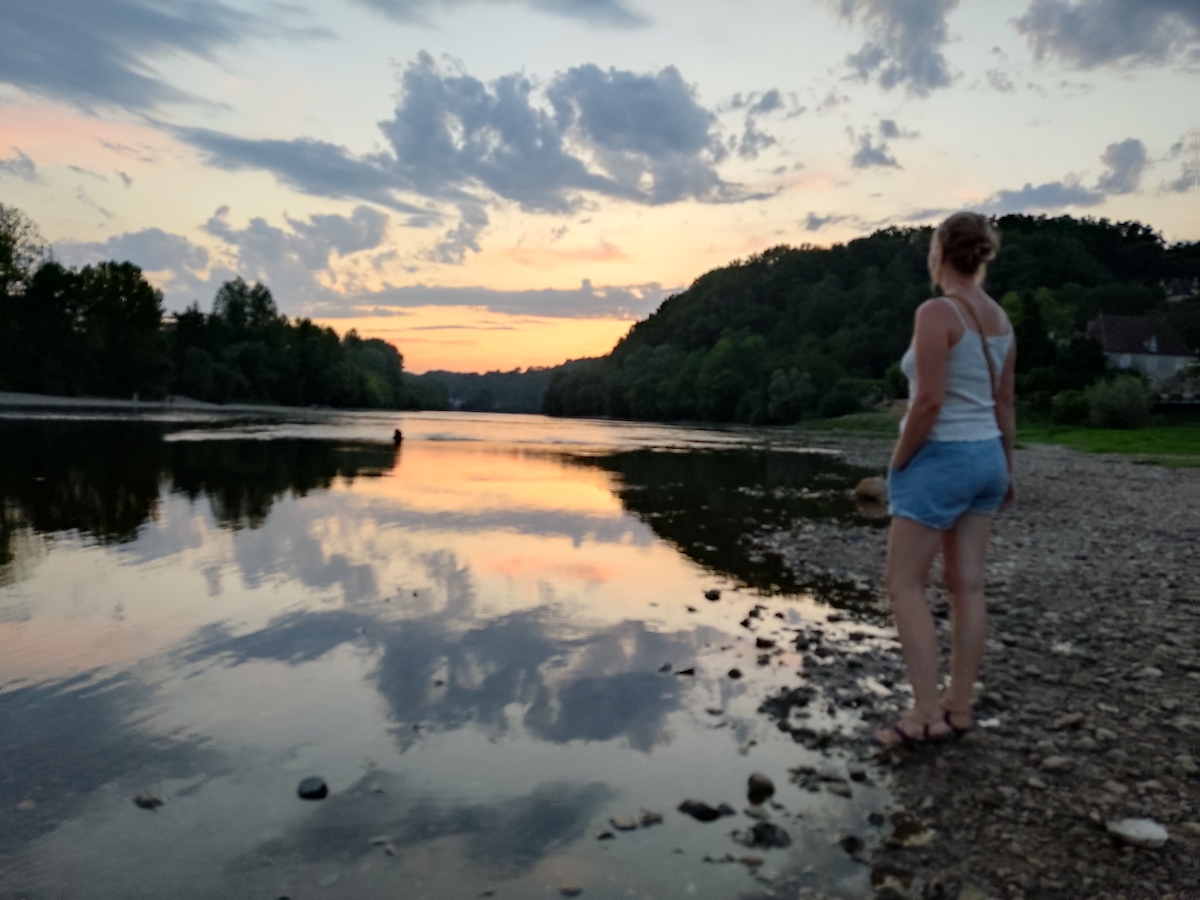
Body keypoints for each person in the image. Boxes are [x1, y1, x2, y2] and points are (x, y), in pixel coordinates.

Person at [878, 212, 1016, 745]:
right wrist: (1006, 469)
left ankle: (924, 714)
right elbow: (1004, 404)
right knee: (968, 585)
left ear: (939, 253)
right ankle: (959, 707)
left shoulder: (937, 311)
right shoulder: (1000, 319)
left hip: (942, 457)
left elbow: (929, 401)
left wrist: (900, 459)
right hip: (987, 457)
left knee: (904, 584)